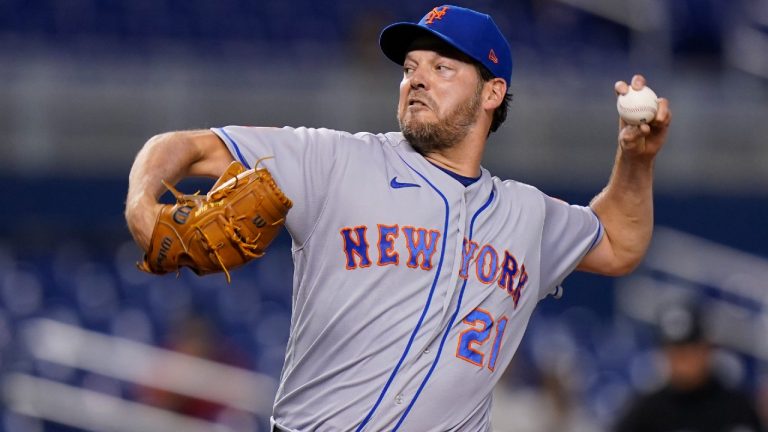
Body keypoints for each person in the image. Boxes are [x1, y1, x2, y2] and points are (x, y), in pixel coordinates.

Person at [125, 5, 671, 431]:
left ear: (492, 92)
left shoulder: (526, 214)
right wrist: (143, 202)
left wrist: (636, 159)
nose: (416, 78)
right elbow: (186, 147)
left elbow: (620, 242)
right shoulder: (335, 160)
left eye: (441, 67)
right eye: (409, 68)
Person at [614, 306, 764, 432]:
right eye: (675, 351)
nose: (682, 361)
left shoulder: (736, 407)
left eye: (689, 350)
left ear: (706, 349)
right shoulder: (648, 411)